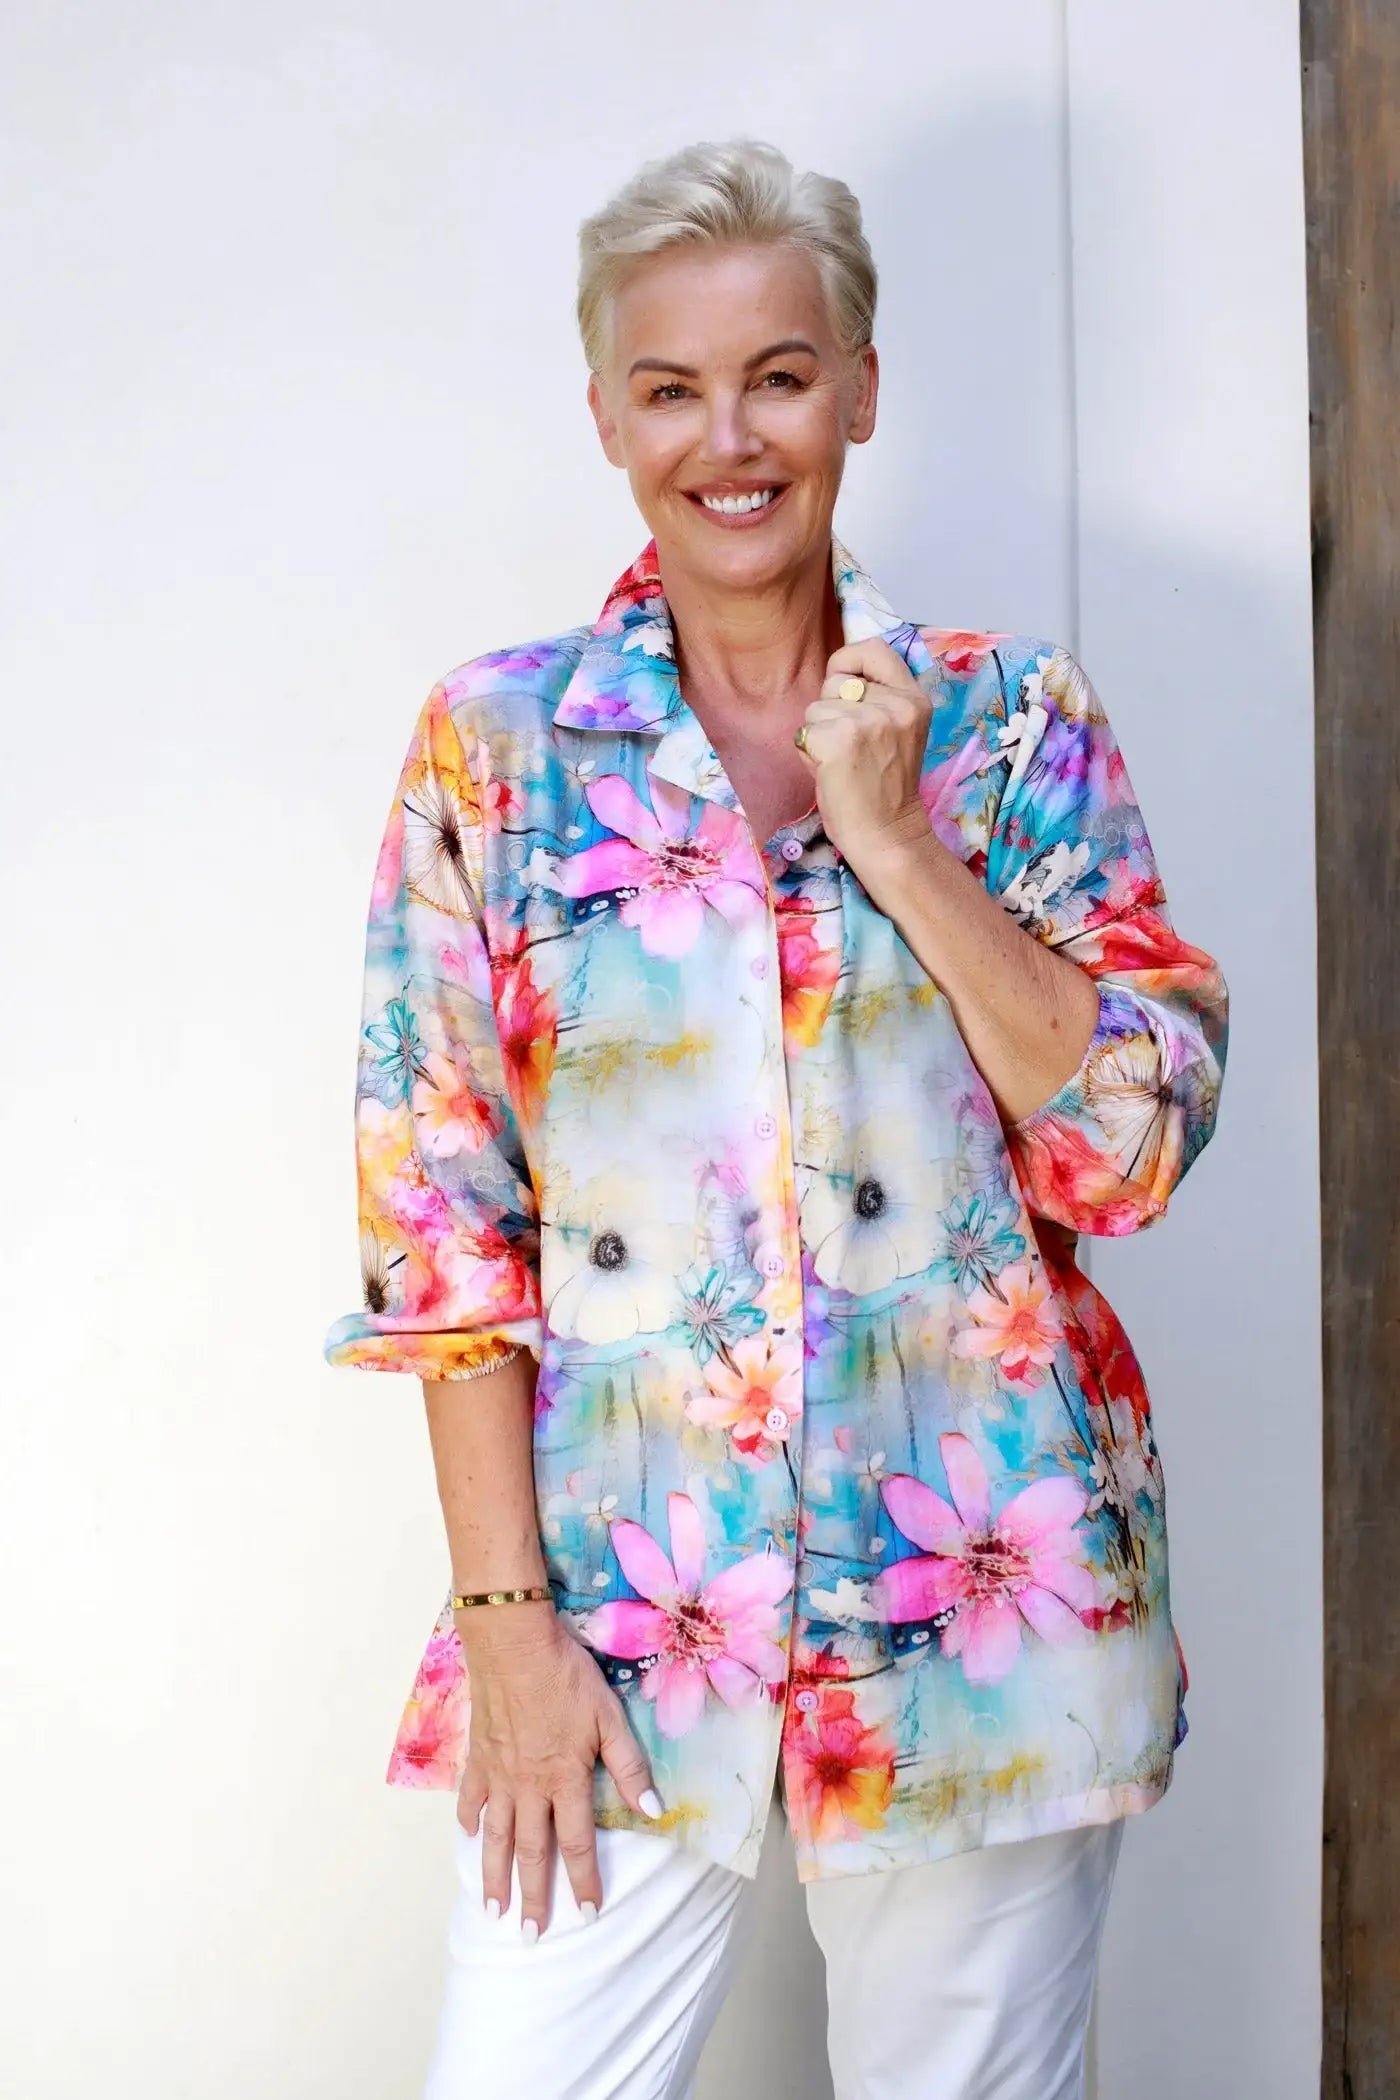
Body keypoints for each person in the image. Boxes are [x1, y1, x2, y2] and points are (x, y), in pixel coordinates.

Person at [324, 136, 1228, 2100]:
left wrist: (900, 846)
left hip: (991, 1579)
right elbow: (441, 1228)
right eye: (671, 387)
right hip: (625, 1591)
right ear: (607, 418)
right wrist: (504, 1630)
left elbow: (1132, 1153)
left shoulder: (1012, 723)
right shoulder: (493, 746)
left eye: (780, 374)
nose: (728, 438)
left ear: (862, 388)